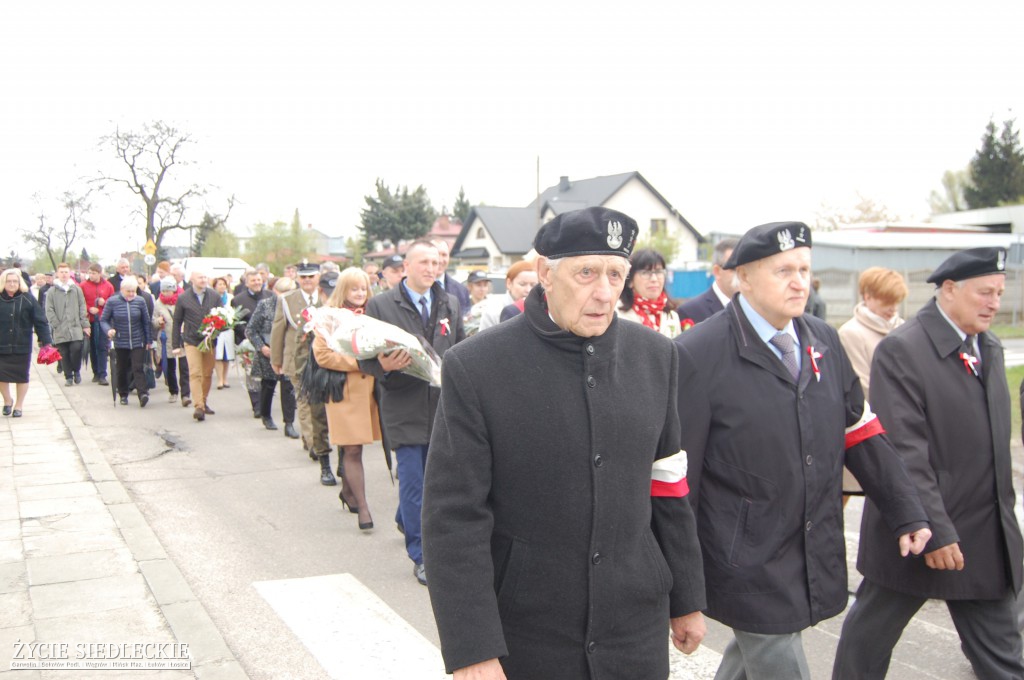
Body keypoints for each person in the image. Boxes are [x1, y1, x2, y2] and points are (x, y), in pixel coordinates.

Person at [423, 207, 705, 679]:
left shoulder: (657, 358)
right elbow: (454, 515)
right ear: (545, 275)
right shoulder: (477, 367)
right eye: (587, 272)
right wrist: (473, 648)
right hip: (528, 630)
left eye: (616, 274)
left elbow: (668, 483)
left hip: (634, 625)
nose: (604, 292)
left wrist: (688, 596)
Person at [674, 221, 931, 680]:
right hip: (742, 552)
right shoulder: (698, 352)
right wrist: (682, 590)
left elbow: (859, 427)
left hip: (807, 537)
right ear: (744, 277)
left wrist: (905, 508)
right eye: (783, 270)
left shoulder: (821, 339)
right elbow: (678, 477)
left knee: (761, 647)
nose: (799, 281)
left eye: (804, 269)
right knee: (777, 654)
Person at [833, 247, 1024, 680]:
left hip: (983, 535)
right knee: (866, 647)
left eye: (999, 292)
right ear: (950, 290)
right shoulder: (904, 350)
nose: (995, 303)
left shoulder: (988, 346)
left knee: (1003, 661)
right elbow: (904, 452)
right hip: (920, 533)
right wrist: (934, 529)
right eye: (985, 293)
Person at [360, 239, 464, 585]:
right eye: (424, 263)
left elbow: (460, 347)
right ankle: (420, 555)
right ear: (406, 267)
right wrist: (384, 366)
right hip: (403, 406)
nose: (432, 269)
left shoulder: (449, 302)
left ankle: (407, 517)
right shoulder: (381, 304)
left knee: (436, 482)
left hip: (442, 407)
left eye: (436, 263)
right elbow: (364, 358)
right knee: (414, 481)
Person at [312, 267, 382, 531]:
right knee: (352, 448)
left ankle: (348, 491)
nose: (360, 293)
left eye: (363, 288)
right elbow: (323, 356)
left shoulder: (374, 314)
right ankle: (363, 508)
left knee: (356, 446)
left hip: (371, 391)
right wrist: (360, 363)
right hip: (343, 390)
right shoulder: (328, 317)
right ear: (343, 290)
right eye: (354, 288)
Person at [271, 263, 329, 466]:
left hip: (322, 359)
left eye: (311, 277)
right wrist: (276, 360)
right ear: (297, 279)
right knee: (303, 399)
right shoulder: (287, 300)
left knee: (320, 401)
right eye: (303, 277)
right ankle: (313, 443)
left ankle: (314, 438)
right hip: (296, 358)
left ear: (318, 277)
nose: (307, 281)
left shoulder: (327, 298)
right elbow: (278, 330)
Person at [837, 267, 908, 400]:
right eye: (887, 301)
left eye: (896, 301)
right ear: (867, 296)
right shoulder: (850, 333)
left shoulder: (904, 328)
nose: (893, 308)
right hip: (874, 415)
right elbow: (862, 386)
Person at [248, 276, 298, 438]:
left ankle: (289, 423)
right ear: (275, 291)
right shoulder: (265, 305)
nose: (285, 295)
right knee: (268, 386)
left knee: (288, 387)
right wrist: (261, 347)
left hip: (288, 352)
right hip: (268, 352)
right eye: (282, 292)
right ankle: (266, 415)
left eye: (290, 292)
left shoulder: (295, 307)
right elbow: (251, 330)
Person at [0, 268, 52, 417]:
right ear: (3, 282)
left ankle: (19, 405)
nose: (11, 284)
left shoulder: (28, 298)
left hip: (21, 344)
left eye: (14, 281)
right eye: (8, 281)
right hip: (1, 344)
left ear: (19, 282)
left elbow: (40, 321)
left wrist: (46, 341)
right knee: (1, 375)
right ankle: (7, 400)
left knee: (21, 376)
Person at [171, 268, 220, 421]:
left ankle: (204, 401)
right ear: (192, 279)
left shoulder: (214, 296)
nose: (203, 280)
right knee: (195, 372)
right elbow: (177, 321)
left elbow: (221, 315)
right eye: (200, 277)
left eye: (205, 277)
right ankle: (198, 406)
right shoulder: (183, 298)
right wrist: (175, 344)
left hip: (210, 340)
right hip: (191, 340)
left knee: (207, 373)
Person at [101, 278, 153, 407]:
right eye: (128, 291)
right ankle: (123, 394)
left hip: (138, 339)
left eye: (133, 291)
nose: (131, 294)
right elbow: (104, 320)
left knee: (138, 367)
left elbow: (146, 322)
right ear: (122, 290)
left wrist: (148, 340)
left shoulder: (140, 301)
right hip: (120, 339)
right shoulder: (112, 301)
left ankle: (143, 394)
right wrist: (109, 330)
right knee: (121, 368)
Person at [232, 270, 273, 417]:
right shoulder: (238, 300)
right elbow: (236, 322)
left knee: (267, 375)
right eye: (253, 280)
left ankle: (264, 404)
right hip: (248, 342)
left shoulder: (270, 296)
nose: (257, 283)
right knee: (252, 374)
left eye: (258, 280)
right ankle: (256, 406)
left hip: (268, 342)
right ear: (247, 283)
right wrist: (248, 337)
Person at [616, 247, 683, 338]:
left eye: (659, 272)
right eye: (645, 273)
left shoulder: (671, 316)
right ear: (630, 281)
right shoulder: (618, 315)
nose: (654, 279)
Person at [45, 263, 90, 386]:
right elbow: (49, 309)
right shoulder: (52, 291)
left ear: (69, 273)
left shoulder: (76, 289)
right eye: (61, 272)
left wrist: (84, 324)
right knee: (63, 353)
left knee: (76, 349)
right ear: (57, 274)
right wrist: (55, 324)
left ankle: (76, 370)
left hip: (75, 327)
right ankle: (68, 376)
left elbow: (82, 306)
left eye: (66, 272)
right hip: (60, 328)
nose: (64, 274)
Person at [677, 237, 738, 324]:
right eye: (734, 268)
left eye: (746, 268)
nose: (742, 274)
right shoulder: (690, 311)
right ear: (717, 271)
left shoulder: (752, 308)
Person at [152, 276, 190, 405]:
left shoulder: (183, 299)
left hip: (181, 337)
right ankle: (173, 391)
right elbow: (153, 320)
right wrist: (158, 322)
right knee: (169, 367)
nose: (165, 293)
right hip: (166, 338)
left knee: (184, 367)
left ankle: (185, 394)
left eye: (167, 290)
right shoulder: (158, 303)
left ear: (174, 290)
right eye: (163, 291)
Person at [477, 260, 536, 332]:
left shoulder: (541, 309)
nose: (528, 290)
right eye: (522, 284)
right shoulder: (493, 311)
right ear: (509, 283)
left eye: (533, 285)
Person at [80, 263, 114, 385]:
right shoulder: (83, 285)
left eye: (94, 273)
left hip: (103, 320)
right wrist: (89, 308)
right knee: (92, 347)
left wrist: (103, 305)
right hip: (89, 320)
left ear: (100, 273)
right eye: (90, 273)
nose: (91, 275)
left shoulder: (108, 286)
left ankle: (102, 374)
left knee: (102, 347)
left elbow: (112, 303)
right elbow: (80, 301)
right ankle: (95, 372)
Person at [431, 238, 471, 312]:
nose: (440, 260)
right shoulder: (414, 288)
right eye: (436, 254)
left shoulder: (461, 291)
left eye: (444, 255)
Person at [211, 277, 234, 389]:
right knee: (218, 355)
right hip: (217, 329)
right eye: (219, 284)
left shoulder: (230, 298)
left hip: (228, 329)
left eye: (224, 284)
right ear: (215, 286)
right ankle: (219, 379)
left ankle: (225, 378)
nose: (222, 286)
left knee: (227, 355)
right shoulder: (212, 297)